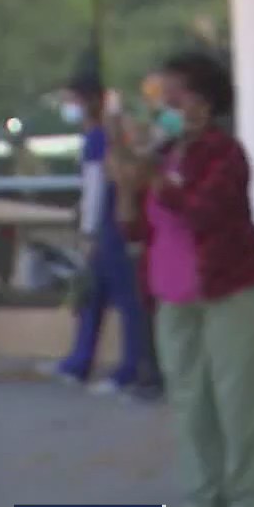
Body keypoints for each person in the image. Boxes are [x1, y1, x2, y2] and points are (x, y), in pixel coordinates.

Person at [117, 52, 254, 507]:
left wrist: (154, 179)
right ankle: (202, 497)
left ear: (205, 103)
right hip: (172, 293)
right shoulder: (163, 154)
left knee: (239, 396)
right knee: (190, 398)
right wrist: (127, 187)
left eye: (176, 94)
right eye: (159, 96)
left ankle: (250, 500)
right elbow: (136, 228)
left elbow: (202, 211)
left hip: (231, 287)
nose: (164, 105)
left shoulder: (223, 152)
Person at [47, 70, 150, 396]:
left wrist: (88, 231)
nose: (69, 107)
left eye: (72, 100)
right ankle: (80, 363)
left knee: (124, 300)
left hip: (111, 228)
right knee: (93, 296)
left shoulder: (98, 139)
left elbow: (95, 189)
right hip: (109, 227)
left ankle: (129, 369)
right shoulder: (101, 136)